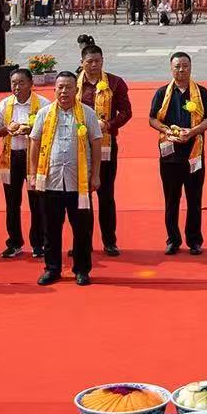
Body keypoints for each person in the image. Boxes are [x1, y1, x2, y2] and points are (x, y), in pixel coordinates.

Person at [31, 70, 103, 286]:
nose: (64, 92)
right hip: (51, 180)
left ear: (76, 90)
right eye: (60, 87)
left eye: (68, 87)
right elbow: (34, 142)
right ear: (54, 90)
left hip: (78, 182)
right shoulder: (44, 113)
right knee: (51, 228)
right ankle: (52, 268)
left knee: (82, 229)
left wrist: (96, 174)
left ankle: (82, 269)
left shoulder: (87, 114)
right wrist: (33, 174)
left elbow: (96, 143)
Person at [151, 51, 207, 254]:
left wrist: (193, 131)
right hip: (169, 155)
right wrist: (168, 130)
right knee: (171, 199)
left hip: (194, 153)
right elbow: (153, 119)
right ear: (171, 69)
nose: (181, 70)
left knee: (194, 199)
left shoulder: (201, 92)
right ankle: (173, 239)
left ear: (191, 67)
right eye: (177, 66)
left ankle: (194, 240)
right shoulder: (162, 93)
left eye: (185, 66)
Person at [78, 36, 132, 256]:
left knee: (106, 194)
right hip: (79, 146)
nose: (94, 65)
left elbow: (126, 112)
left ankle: (110, 241)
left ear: (103, 61)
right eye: (89, 61)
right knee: (82, 195)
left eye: (97, 61)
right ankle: (83, 242)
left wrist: (109, 125)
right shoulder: (73, 84)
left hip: (106, 145)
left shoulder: (115, 83)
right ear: (82, 62)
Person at [0, 66, 49, 259]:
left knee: (37, 201)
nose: (17, 87)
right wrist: (8, 129)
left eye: (21, 83)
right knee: (12, 202)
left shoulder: (43, 104)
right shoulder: (5, 104)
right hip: (11, 157)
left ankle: (38, 243)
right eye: (13, 83)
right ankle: (14, 242)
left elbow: (50, 130)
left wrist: (31, 130)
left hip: (34, 158)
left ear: (31, 84)